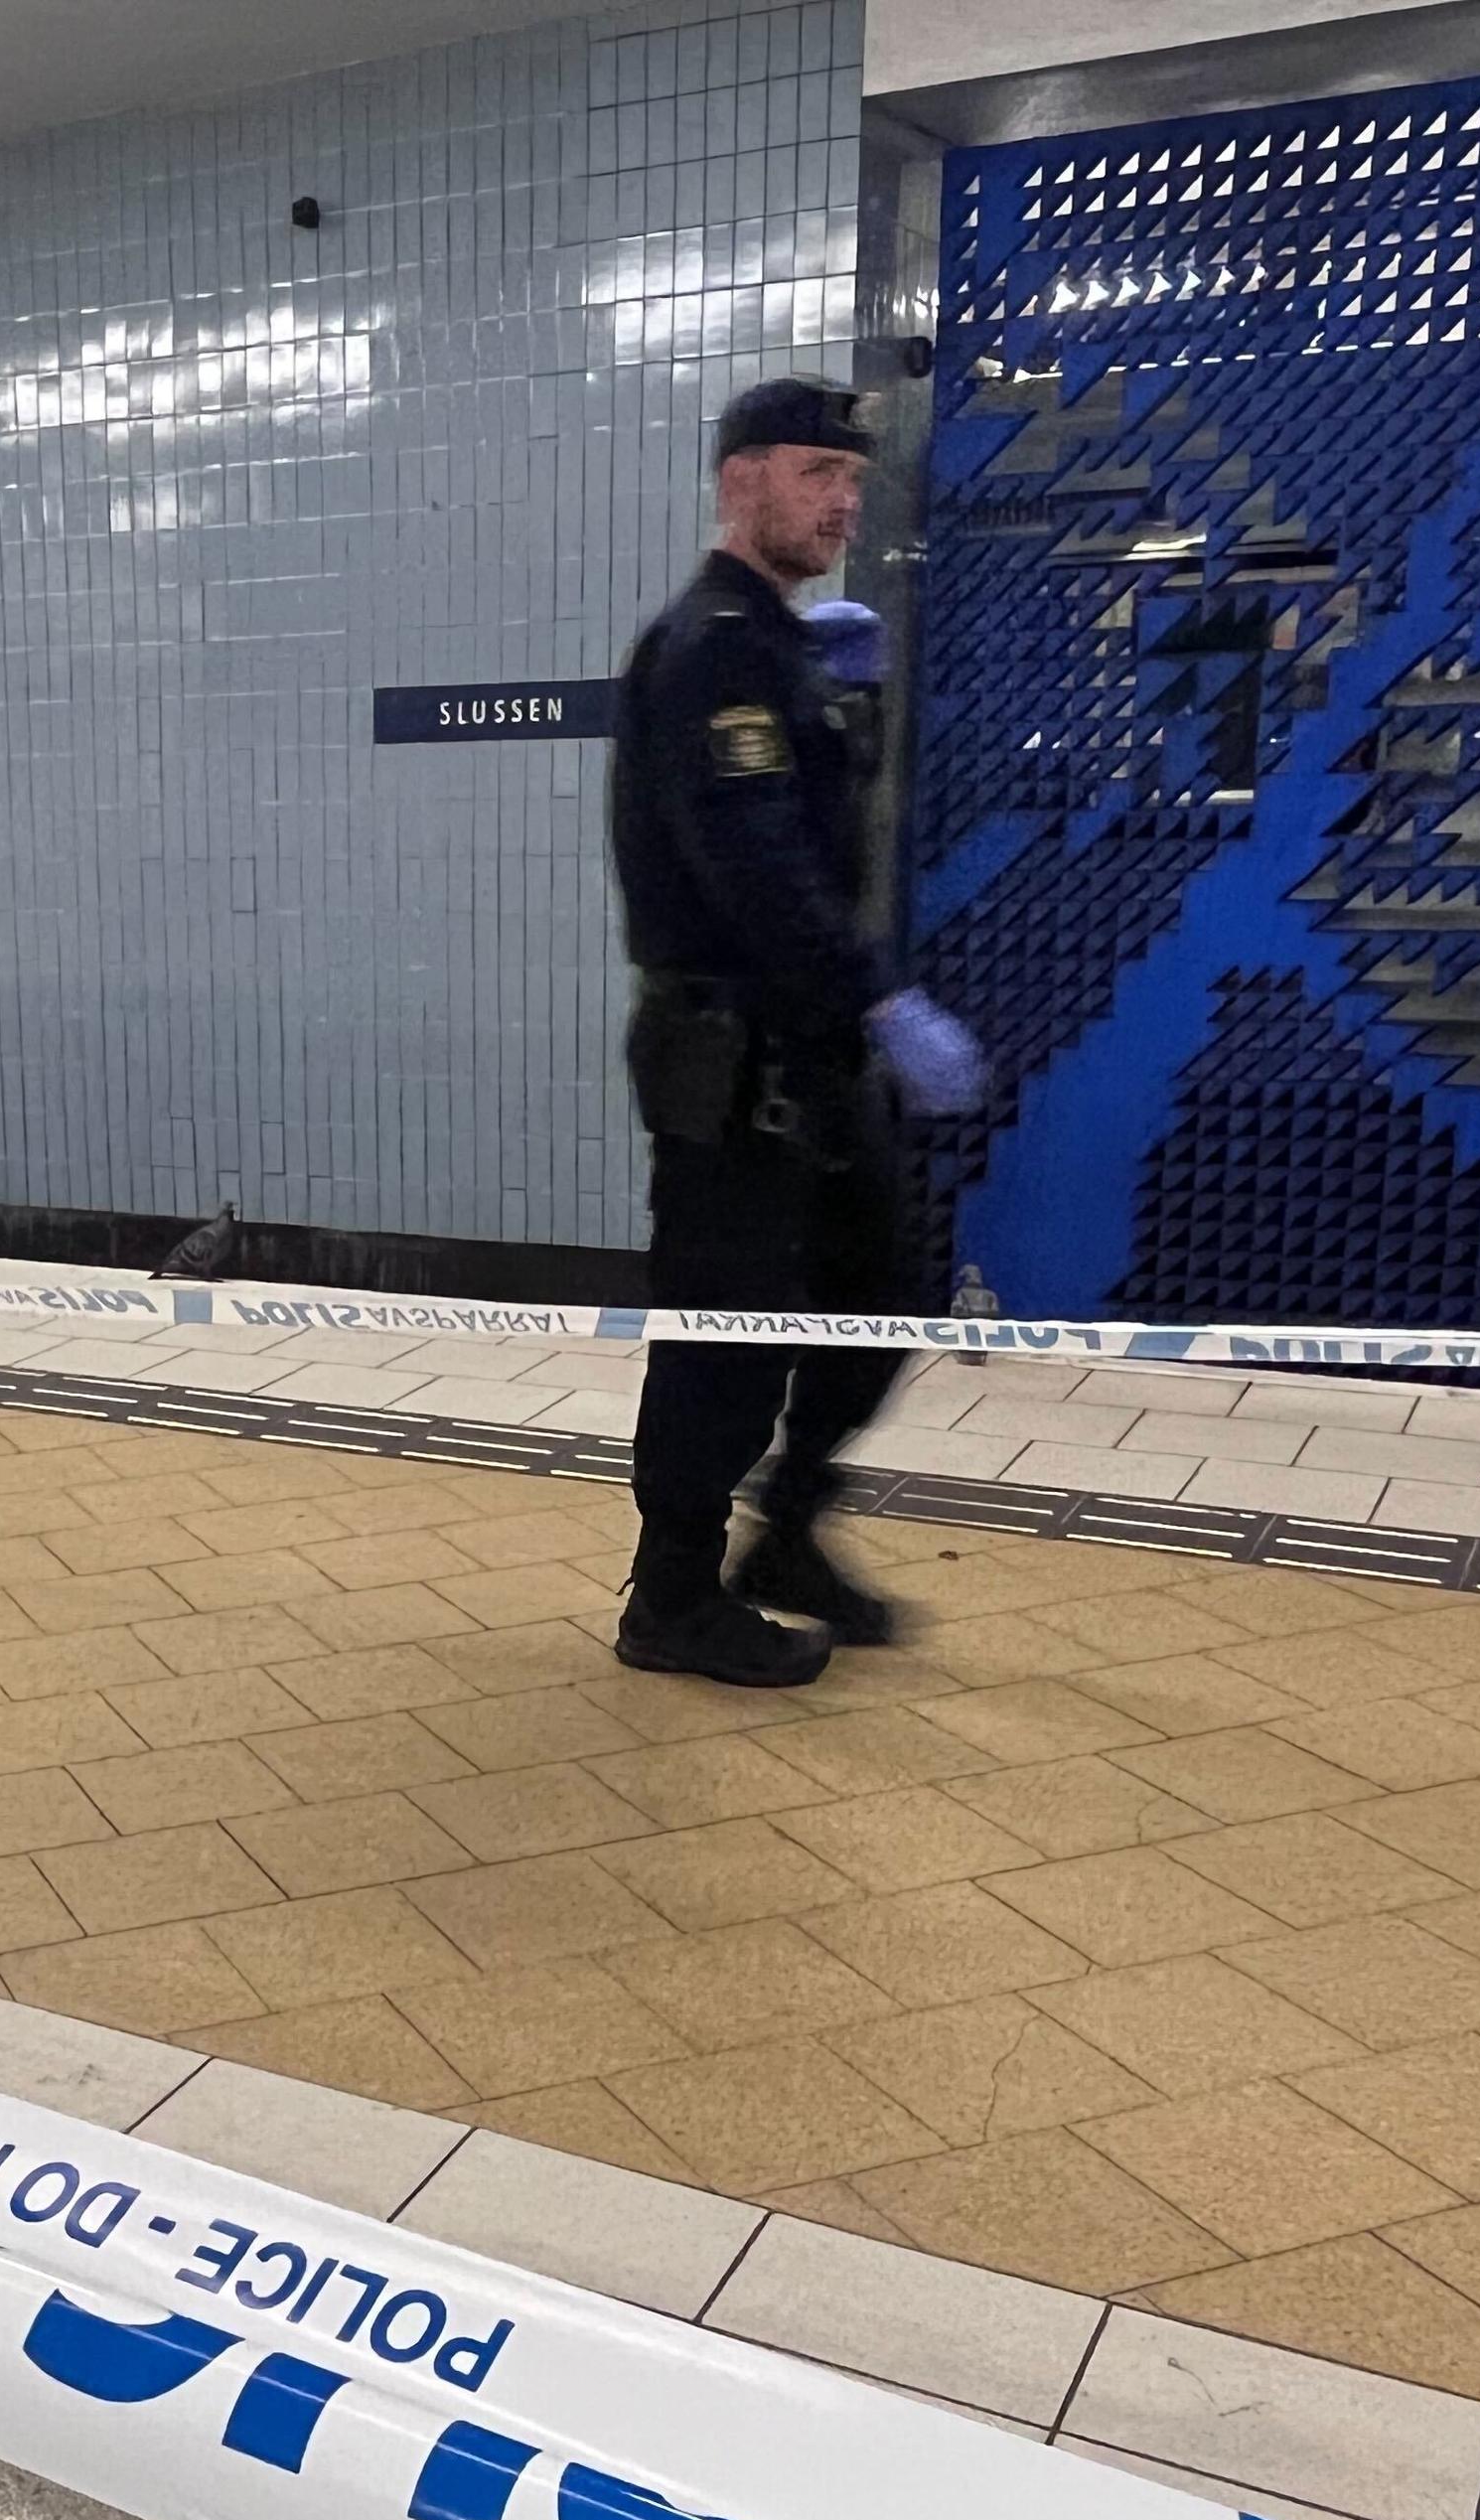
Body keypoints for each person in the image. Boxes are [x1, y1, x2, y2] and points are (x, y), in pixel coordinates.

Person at [608, 376, 985, 1688]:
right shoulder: (713, 643)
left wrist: (855, 726)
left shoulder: (781, 646)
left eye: (850, 481)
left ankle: (790, 1534)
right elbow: (756, 868)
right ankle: (669, 1600)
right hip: (735, 1060)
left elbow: (822, 845)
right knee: (727, 1338)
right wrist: (883, 997)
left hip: (817, 1058)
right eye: (816, 474)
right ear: (741, 480)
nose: (841, 503)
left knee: (878, 1301)